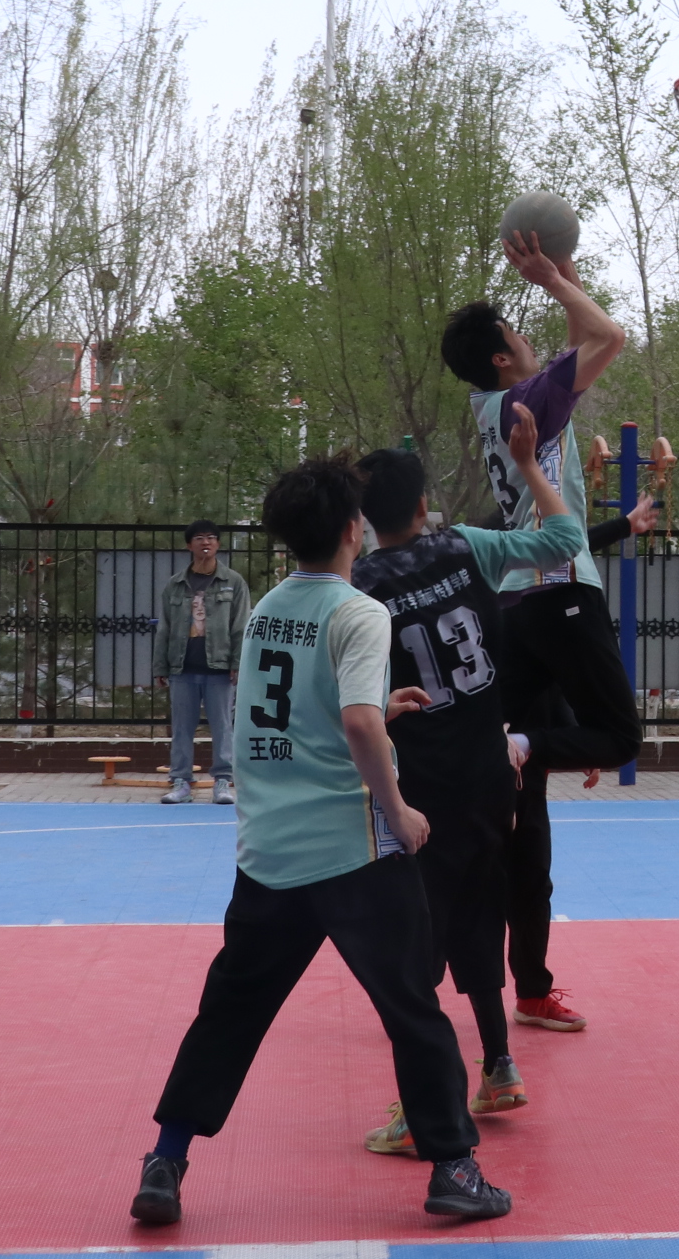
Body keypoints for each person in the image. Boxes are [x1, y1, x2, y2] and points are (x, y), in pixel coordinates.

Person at [127, 458, 512, 1228]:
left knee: (229, 1013)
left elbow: (287, 711)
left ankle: (166, 1161)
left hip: (269, 853)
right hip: (352, 851)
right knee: (413, 1009)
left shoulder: (269, 606)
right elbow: (357, 724)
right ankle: (454, 1169)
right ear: (351, 529)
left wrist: (376, 708)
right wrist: (399, 809)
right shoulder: (358, 611)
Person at [351, 406, 583, 1143]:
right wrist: (529, 466)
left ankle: (424, 1107)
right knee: (482, 913)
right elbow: (565, 541)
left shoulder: (359, 588)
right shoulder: (467, 548)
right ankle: (500, 1067)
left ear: (363, 519)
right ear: (424, 504)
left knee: (413, 940)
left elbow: (356, 705)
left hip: (419, 789)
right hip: (489, 776)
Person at [438, 230, 632, 1035]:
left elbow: (581, 343)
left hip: (518, 606)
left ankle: (522, 986)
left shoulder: (501, 405)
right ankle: (530, 744)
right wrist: (553, 279)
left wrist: (568, 277)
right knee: (618, 739)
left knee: (524, 816)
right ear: (501, 358)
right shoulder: (527, 403)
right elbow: (608, 336)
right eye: (517, 333)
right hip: (558, 593)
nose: (530, 338)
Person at [152, 519, 247, 806]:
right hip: (183, 667)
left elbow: (240, 626)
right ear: (189, 545)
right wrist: (160, 666)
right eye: (199, 538)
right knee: (182, 728)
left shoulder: (233, 582)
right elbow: (165, 627)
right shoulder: (175, 584)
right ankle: (181, 781)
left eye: (211, 538)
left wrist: (237, 662)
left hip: (220, 668)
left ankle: (223, 781)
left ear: (218, 544)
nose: (206, 542)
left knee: (222, 727)